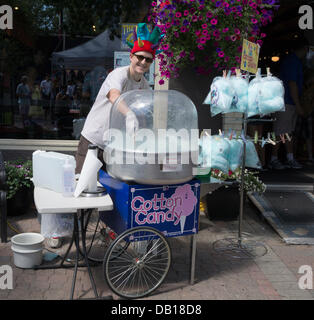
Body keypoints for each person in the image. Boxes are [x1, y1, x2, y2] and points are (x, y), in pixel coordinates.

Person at [75, 23, 164, 174]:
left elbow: (145, 113)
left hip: (115, 147)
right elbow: (113, 95)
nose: (143, 62)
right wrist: (129, 114)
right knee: (83, 183)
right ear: (131, 56)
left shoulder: (144, 85)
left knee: (108, 191)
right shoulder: (119, 74)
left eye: (148, 60)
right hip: (93, 140)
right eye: (140, 57)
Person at [269, 37, 309, 170]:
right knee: (281, 131)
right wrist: (298, 105)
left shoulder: (292, 61)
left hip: (287, 101)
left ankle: (286, 158)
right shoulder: (293, 62)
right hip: (286, 101)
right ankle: (277, 159)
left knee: (285, 132)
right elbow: (292, 84)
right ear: (304, 49)